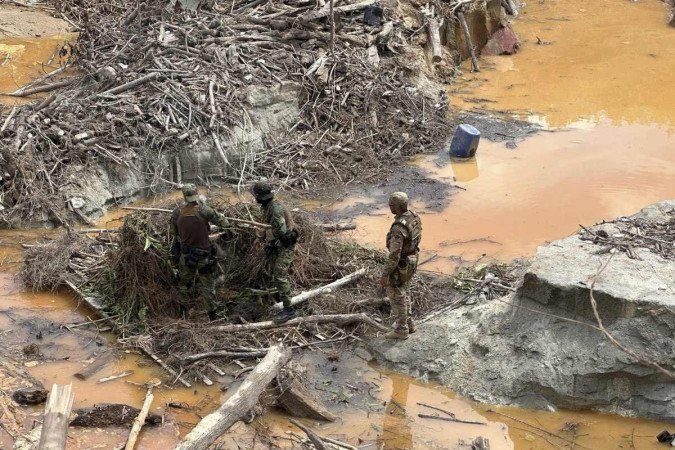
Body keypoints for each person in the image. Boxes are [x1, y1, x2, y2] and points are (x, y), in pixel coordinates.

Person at [170, 183, 230, 321]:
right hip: (204, 256)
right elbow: (224, 222)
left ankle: (182, 314)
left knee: (184, 284)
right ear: (196, 194)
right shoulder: (204, 210)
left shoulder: (177, 212)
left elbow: (175, 233)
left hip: (186, 256)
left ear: (184, 196)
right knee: (208, 286)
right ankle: (212, 317)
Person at [252, 182, 298, 324]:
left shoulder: (276, 209)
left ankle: (289, 310)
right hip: (277, 244)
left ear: (260, 197)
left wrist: (271, 240)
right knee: (274, 272)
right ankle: (281, 298)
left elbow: (281, 232)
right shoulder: (267, 207)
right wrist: (261, 237)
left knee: (280, 274)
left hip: (285, 245)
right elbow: (269, 227)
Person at [380, 192, 422, 340]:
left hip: (400, 265)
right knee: (405, 291)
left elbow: (394, 255)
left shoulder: (398, 228)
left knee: (396, 295)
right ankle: (409, 323)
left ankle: (401, 329)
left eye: (391, 205)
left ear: (398, 207)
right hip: (411, 261)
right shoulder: (414, 217)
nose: (389, 207)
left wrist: (385, 274)